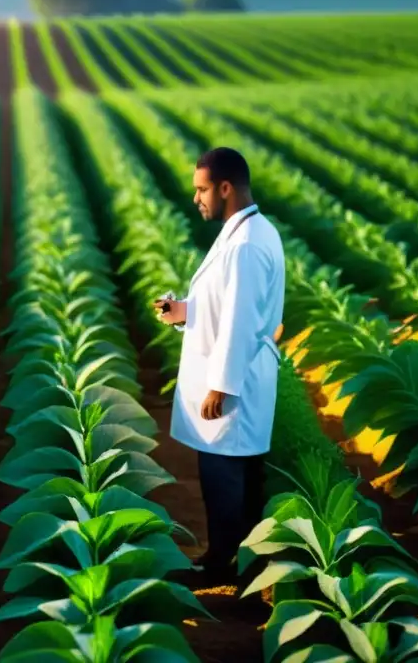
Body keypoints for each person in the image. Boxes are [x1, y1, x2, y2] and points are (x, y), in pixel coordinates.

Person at [152, 146, 285, 584]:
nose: (197, 199)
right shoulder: (252, 231)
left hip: (235, 383)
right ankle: (234, 561)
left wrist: (221, 386)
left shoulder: (245, 244)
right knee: (233, 479)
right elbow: (223, 305)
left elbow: (240, 320)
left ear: (225, 188)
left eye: (202, 189)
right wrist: (183, 311)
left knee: (226, 481)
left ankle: (224, 566)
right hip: (244, 377)